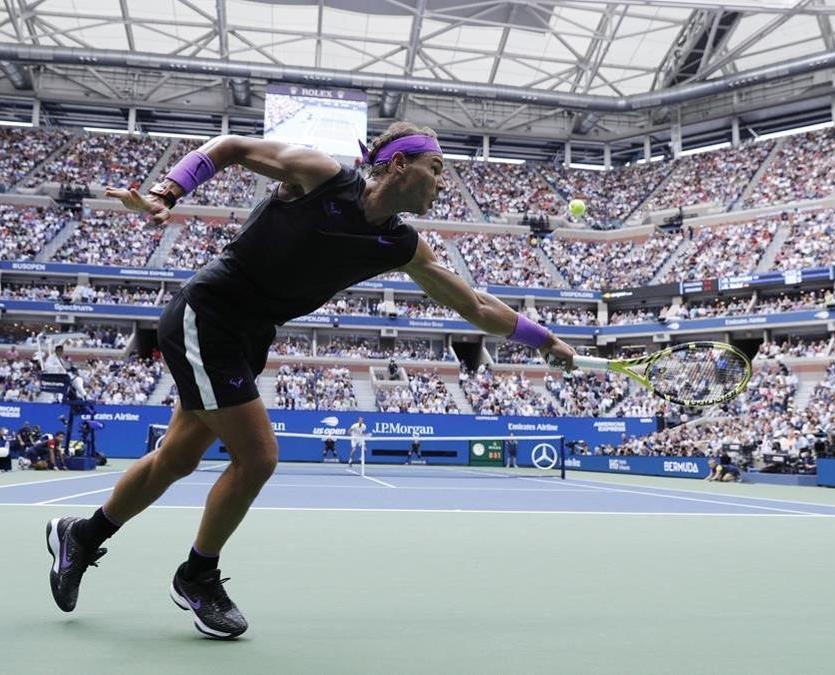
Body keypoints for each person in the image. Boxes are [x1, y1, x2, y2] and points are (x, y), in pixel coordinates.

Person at [44, 122, 576, 639]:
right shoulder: (322, 176)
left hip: (249, 337)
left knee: (178, 458)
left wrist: (545, 340)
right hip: (208, 315)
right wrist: (168, 190)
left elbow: (476, 305)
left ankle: (82, 536)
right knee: (258, 458)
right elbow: (229, 146)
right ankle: (197, 576)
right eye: (436, 169)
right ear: (398, 164)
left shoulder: (400, 244)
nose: (443, 183)